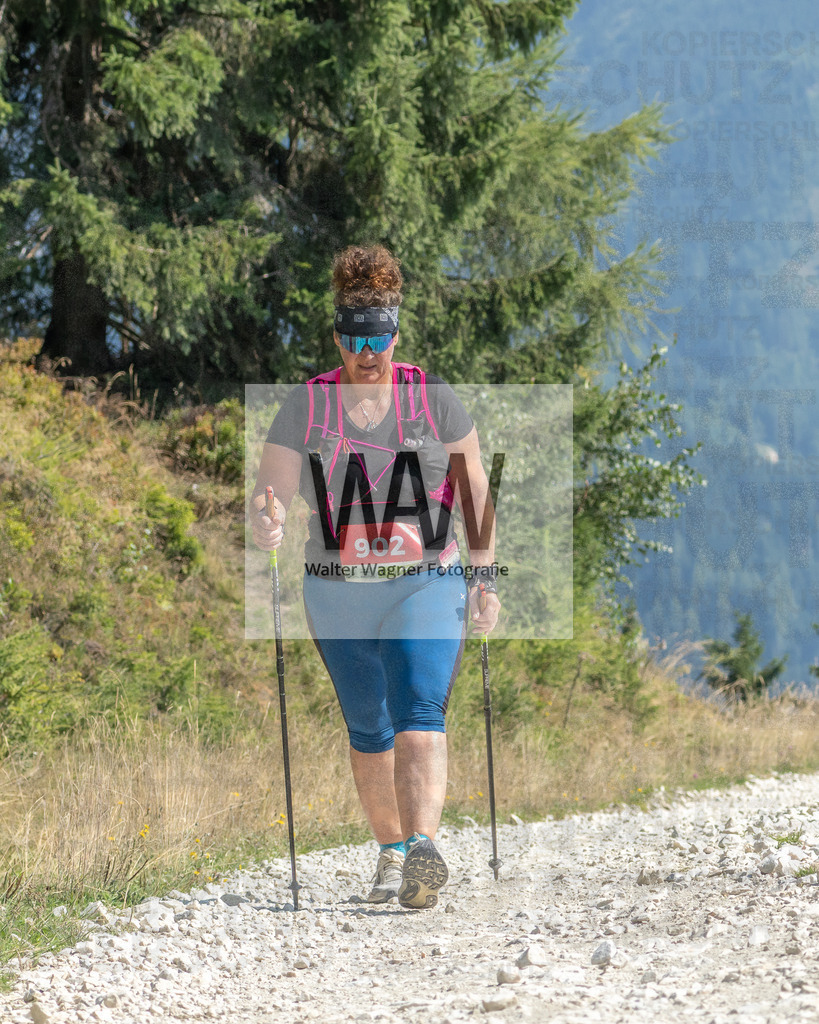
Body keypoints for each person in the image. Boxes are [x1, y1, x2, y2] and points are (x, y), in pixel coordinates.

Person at [251, 244, 500, 909]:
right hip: (338, 588)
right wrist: (267, 519)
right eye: (355, 337)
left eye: (379, 337)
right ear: (337, 336)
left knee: (420, 711)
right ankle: (391, 850)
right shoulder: (307, 405)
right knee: (369, 724)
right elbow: (271, 492)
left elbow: (474, 493)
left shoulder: (432, 399)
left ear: (396, 332)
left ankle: (421, 847)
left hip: (427, 579)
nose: (368, 351)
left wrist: (485, 578)